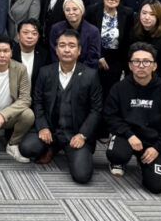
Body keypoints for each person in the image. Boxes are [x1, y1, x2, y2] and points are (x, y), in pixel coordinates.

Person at [19, 29, 102, 184]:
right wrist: (43, 127)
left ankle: (67, 150)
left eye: (71, 46)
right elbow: (37, 102)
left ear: (79, 50)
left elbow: (96, 110)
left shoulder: (90, 75)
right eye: (62, 45)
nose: (66, 50)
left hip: (75, 134)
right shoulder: (45, 72)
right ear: (56, 50)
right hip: (51, 130)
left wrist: (83, 135)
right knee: (26, 148)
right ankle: (53, 147)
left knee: (82, 176)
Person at [104, 42, 161, 193]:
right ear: (130, 66)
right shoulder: (119, 88)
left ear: (154, 66)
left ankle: (144, 161)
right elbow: (110, 116)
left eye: (146, 62)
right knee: (116, 154)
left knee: (157, 186)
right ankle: (119, 161)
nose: (141, 66)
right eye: (136, 61)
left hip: (153, 142)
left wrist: (157, 148)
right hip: (127, 137)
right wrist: (129, 135)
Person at [84, 0, 135, 109]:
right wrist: (98, 57)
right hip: (96, 57)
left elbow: (129, 40)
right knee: (93, 93)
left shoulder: (127, 13)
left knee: (110, 94)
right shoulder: (92, 11)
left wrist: (125, 64)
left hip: (117, 60)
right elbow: (87, 38)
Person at [49, 0, 100, 69]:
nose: (71, 12)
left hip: (85, 71)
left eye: (75, 9)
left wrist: (76, 72)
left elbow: (93, 59)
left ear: (82, 11)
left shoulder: (93, 31)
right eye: (67, 10)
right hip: (60, 70)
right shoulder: (56, 29)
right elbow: (54, 55)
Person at [11, 18, 49, 91]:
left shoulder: (44, 55)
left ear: (38, 37)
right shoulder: (10, 53)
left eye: (34, 33)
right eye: (25, 33)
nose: (30, 36)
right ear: (18, 35)